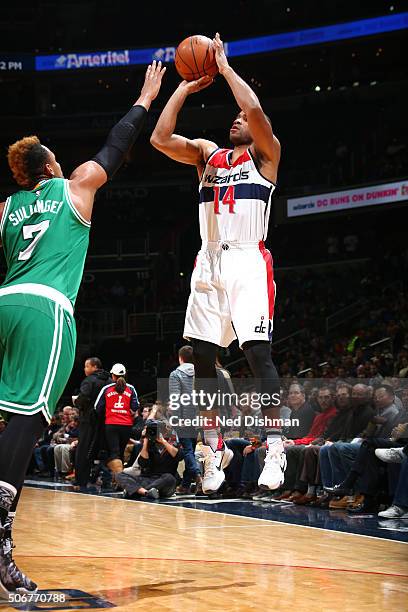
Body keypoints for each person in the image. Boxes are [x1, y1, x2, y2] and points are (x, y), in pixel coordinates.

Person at [0, 60, 165, 596]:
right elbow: (117, 147)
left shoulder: (6, 207)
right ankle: (1, 536)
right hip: (45, 308)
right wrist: (145, 97)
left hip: (4, 300)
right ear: (49, 164)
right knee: (27, 420)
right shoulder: (75, 187)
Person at [151, 33, 283, 494]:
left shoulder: (266, 156)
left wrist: (225, 69)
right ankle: (213, 450)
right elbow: (160, 137)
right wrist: (186, 86)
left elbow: (255, 111)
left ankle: (275, 445)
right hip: (208, 260)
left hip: (247, 258)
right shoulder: (208, 154)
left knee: (256, 353)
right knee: (203, 359)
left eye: (240, 119)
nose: (235, 120)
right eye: (232, 118)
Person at [116, 422, 183, 499]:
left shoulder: (173, 444)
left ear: (165, 432)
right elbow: (143, 463)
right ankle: (146, 492)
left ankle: (136, 491)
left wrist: (163, 441)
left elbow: (179, 456)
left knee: (169, 478)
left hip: (165, 482)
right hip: (148, 479)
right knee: (119, 475)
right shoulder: (148, 445)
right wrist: (145, 441)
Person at [73, 357, 112, 490]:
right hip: (106, 421)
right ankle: (108, 481)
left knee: (84, 450)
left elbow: (83, 398)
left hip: (89, 421)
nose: (85, 369)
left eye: (86, 366)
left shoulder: (89, 381)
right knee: (105, 451)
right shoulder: (110, 381)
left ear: (95, 367)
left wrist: (77, 402)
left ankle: (81, 481)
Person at [94, 363, 139, 475]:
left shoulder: (107, 388)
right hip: (126, 425)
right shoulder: (131, 388)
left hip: (111, 424)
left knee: (114, 452)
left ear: (112, 376)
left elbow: (97, 407)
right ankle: (118, 479)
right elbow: (135, 406)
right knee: (121, 451)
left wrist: (109, 412)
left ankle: (120, 480)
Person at [168, 345, 202, 494]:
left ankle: (198, 477)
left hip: (183, 417)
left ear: (180, 358)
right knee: (191, 451)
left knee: (188, 451)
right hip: (198, 417)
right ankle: (186, 485)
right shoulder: (200, 372)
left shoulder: (176, 374)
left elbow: (176, 399)